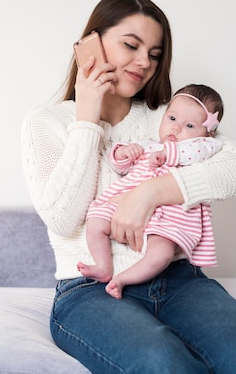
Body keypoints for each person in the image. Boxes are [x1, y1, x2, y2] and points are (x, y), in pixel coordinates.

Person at [21, 0, 236, 373]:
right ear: (91, 43)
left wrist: (150, 192)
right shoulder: (47, 122)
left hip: (178, 279)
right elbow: (63, 218)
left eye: (155, 54)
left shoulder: (169, 118)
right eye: (131, 45)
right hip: (88, 291)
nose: (144, 62)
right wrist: (87, 120)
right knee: (162, 362)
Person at [78, 86, 223, 300]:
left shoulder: (204, 147)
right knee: (96, 222)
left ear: (208, 133)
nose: (176, 129)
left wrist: (169, 153)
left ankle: (123, 279)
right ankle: (103, 266)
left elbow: (199, 151)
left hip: (169, 218)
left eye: (190, 125)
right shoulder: (150, 144)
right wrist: (125, 152)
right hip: (127, 204)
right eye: (172, 118)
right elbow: (119, 165)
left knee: (162, 254)